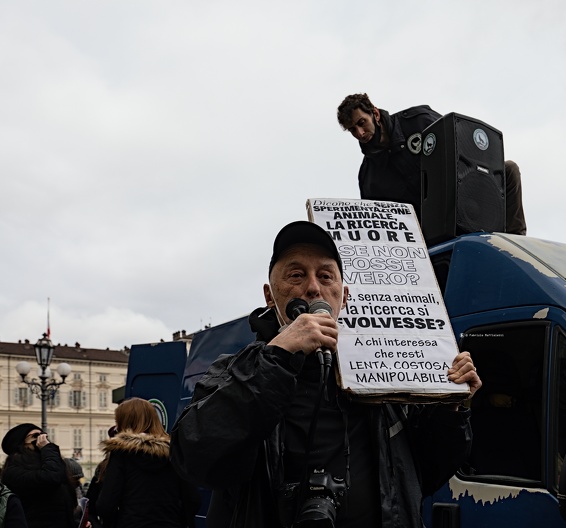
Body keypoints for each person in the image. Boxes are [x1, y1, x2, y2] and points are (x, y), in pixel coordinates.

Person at [170, 220, 482, 528]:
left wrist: (451, 408)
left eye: (325, 276)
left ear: (343, 297)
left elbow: (425, 473)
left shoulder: (385, 375)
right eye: (296, 275)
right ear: (269, 296)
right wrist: (277, 355)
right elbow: (195, 459)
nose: (313, 287)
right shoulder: (236, 370)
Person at [336, 93, 527, 235]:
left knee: (509, 170)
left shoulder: (418, 122)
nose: (360, 133)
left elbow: (462, 151)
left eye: (362, 122)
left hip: (460, 199)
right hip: (425, 238)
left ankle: (517, 248)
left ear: (375, 114)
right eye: (352, 130)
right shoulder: (369, 177)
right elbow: (378, 227)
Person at [95, 398, 200, 528]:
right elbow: (192, 500)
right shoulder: (173, 453)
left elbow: (106, 505)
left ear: (124, 423)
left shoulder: (122, 455)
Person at [1, 423, 77, 528]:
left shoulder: (50, 462)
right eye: (36, 436)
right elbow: (51, 478)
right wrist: (49, 449)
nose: (42, 440)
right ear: (20, 443)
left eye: (44, 436)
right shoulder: (13, 471)